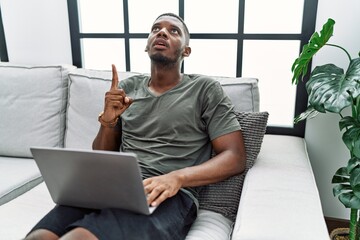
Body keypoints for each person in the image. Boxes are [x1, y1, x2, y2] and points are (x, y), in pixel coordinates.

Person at [25, 13, 246, 240]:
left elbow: (235, 156)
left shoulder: (205, 89)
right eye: (156, 29)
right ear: (147, 45)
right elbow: (103, 155)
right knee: (39, 236)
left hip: (170, 194)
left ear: (186, 51)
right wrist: (109, 120)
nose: (162, 33)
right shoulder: (127, 88)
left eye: (174, 31)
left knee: (81, 237)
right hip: (114, 187)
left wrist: (177, 178)